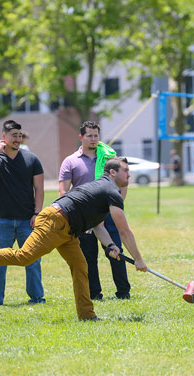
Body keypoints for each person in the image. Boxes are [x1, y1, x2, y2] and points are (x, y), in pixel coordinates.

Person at [0, 157, 148, 321]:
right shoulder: (110, 191)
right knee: (24, 256)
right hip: (55, 221)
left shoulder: (103, 189)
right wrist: (138, 259)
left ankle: (87, 315)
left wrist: (111, 246)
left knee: (80, 266)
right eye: (126, 171)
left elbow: (98, 226)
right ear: (112, 173)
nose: (129, 175)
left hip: (68, 230)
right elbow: (125, 232)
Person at [59, 121, 130, 300]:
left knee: (116, 252)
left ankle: (123, 292)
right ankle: (94, 294)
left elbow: (123, 182)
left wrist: (117, 204)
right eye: (89, 135)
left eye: (96, 135)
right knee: (89, 258)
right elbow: (63, 190)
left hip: (108, 214)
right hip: (85, 217)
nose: (93, 139)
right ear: (81, 137)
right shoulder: (70, 161)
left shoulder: (109, 159)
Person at [0, 120, 45, 305]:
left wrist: (37, 213)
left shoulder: (31, 159)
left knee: (33, 261)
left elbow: (39, 189)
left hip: (27, 220)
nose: (17, 139)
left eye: (19, 135)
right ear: (4, 137)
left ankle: (37, 297)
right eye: (13, 136)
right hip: (2, 221)